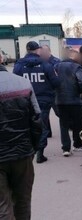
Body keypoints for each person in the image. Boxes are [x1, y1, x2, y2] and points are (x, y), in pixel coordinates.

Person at [0, 52, 42, 220]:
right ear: (1, 59)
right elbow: (37, 120)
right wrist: (33, 148)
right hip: (23, 154)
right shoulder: (22, 83)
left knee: (3, 206)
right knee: (23, 202)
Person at [13, 41, 60, 163]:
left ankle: (28, 151)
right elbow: (56, 82)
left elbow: (15, 81)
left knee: (27, 125)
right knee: (42, 126)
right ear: (37, 50)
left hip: (25, 100)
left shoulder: (19, 65)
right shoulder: (45, 65)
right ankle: (40, 152)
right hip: (43, 99)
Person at [55, 50, 82, 157]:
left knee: (63, 125)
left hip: (61, 100)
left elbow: (53, 80)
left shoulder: (56, 66)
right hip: (75, 100)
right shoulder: (77, 67)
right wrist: (80, 91)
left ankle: (66, 148)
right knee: (77, 123)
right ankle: (77, 144)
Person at [41, 45, 61, 137]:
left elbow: (59, 76)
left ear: (49, 51)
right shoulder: (40, 62)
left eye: (45, 51)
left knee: (58, 112)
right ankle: (47, 132)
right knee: (45, 114)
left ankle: (69, 125)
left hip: (54, 92)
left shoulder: (56, 61)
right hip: (45, 91)